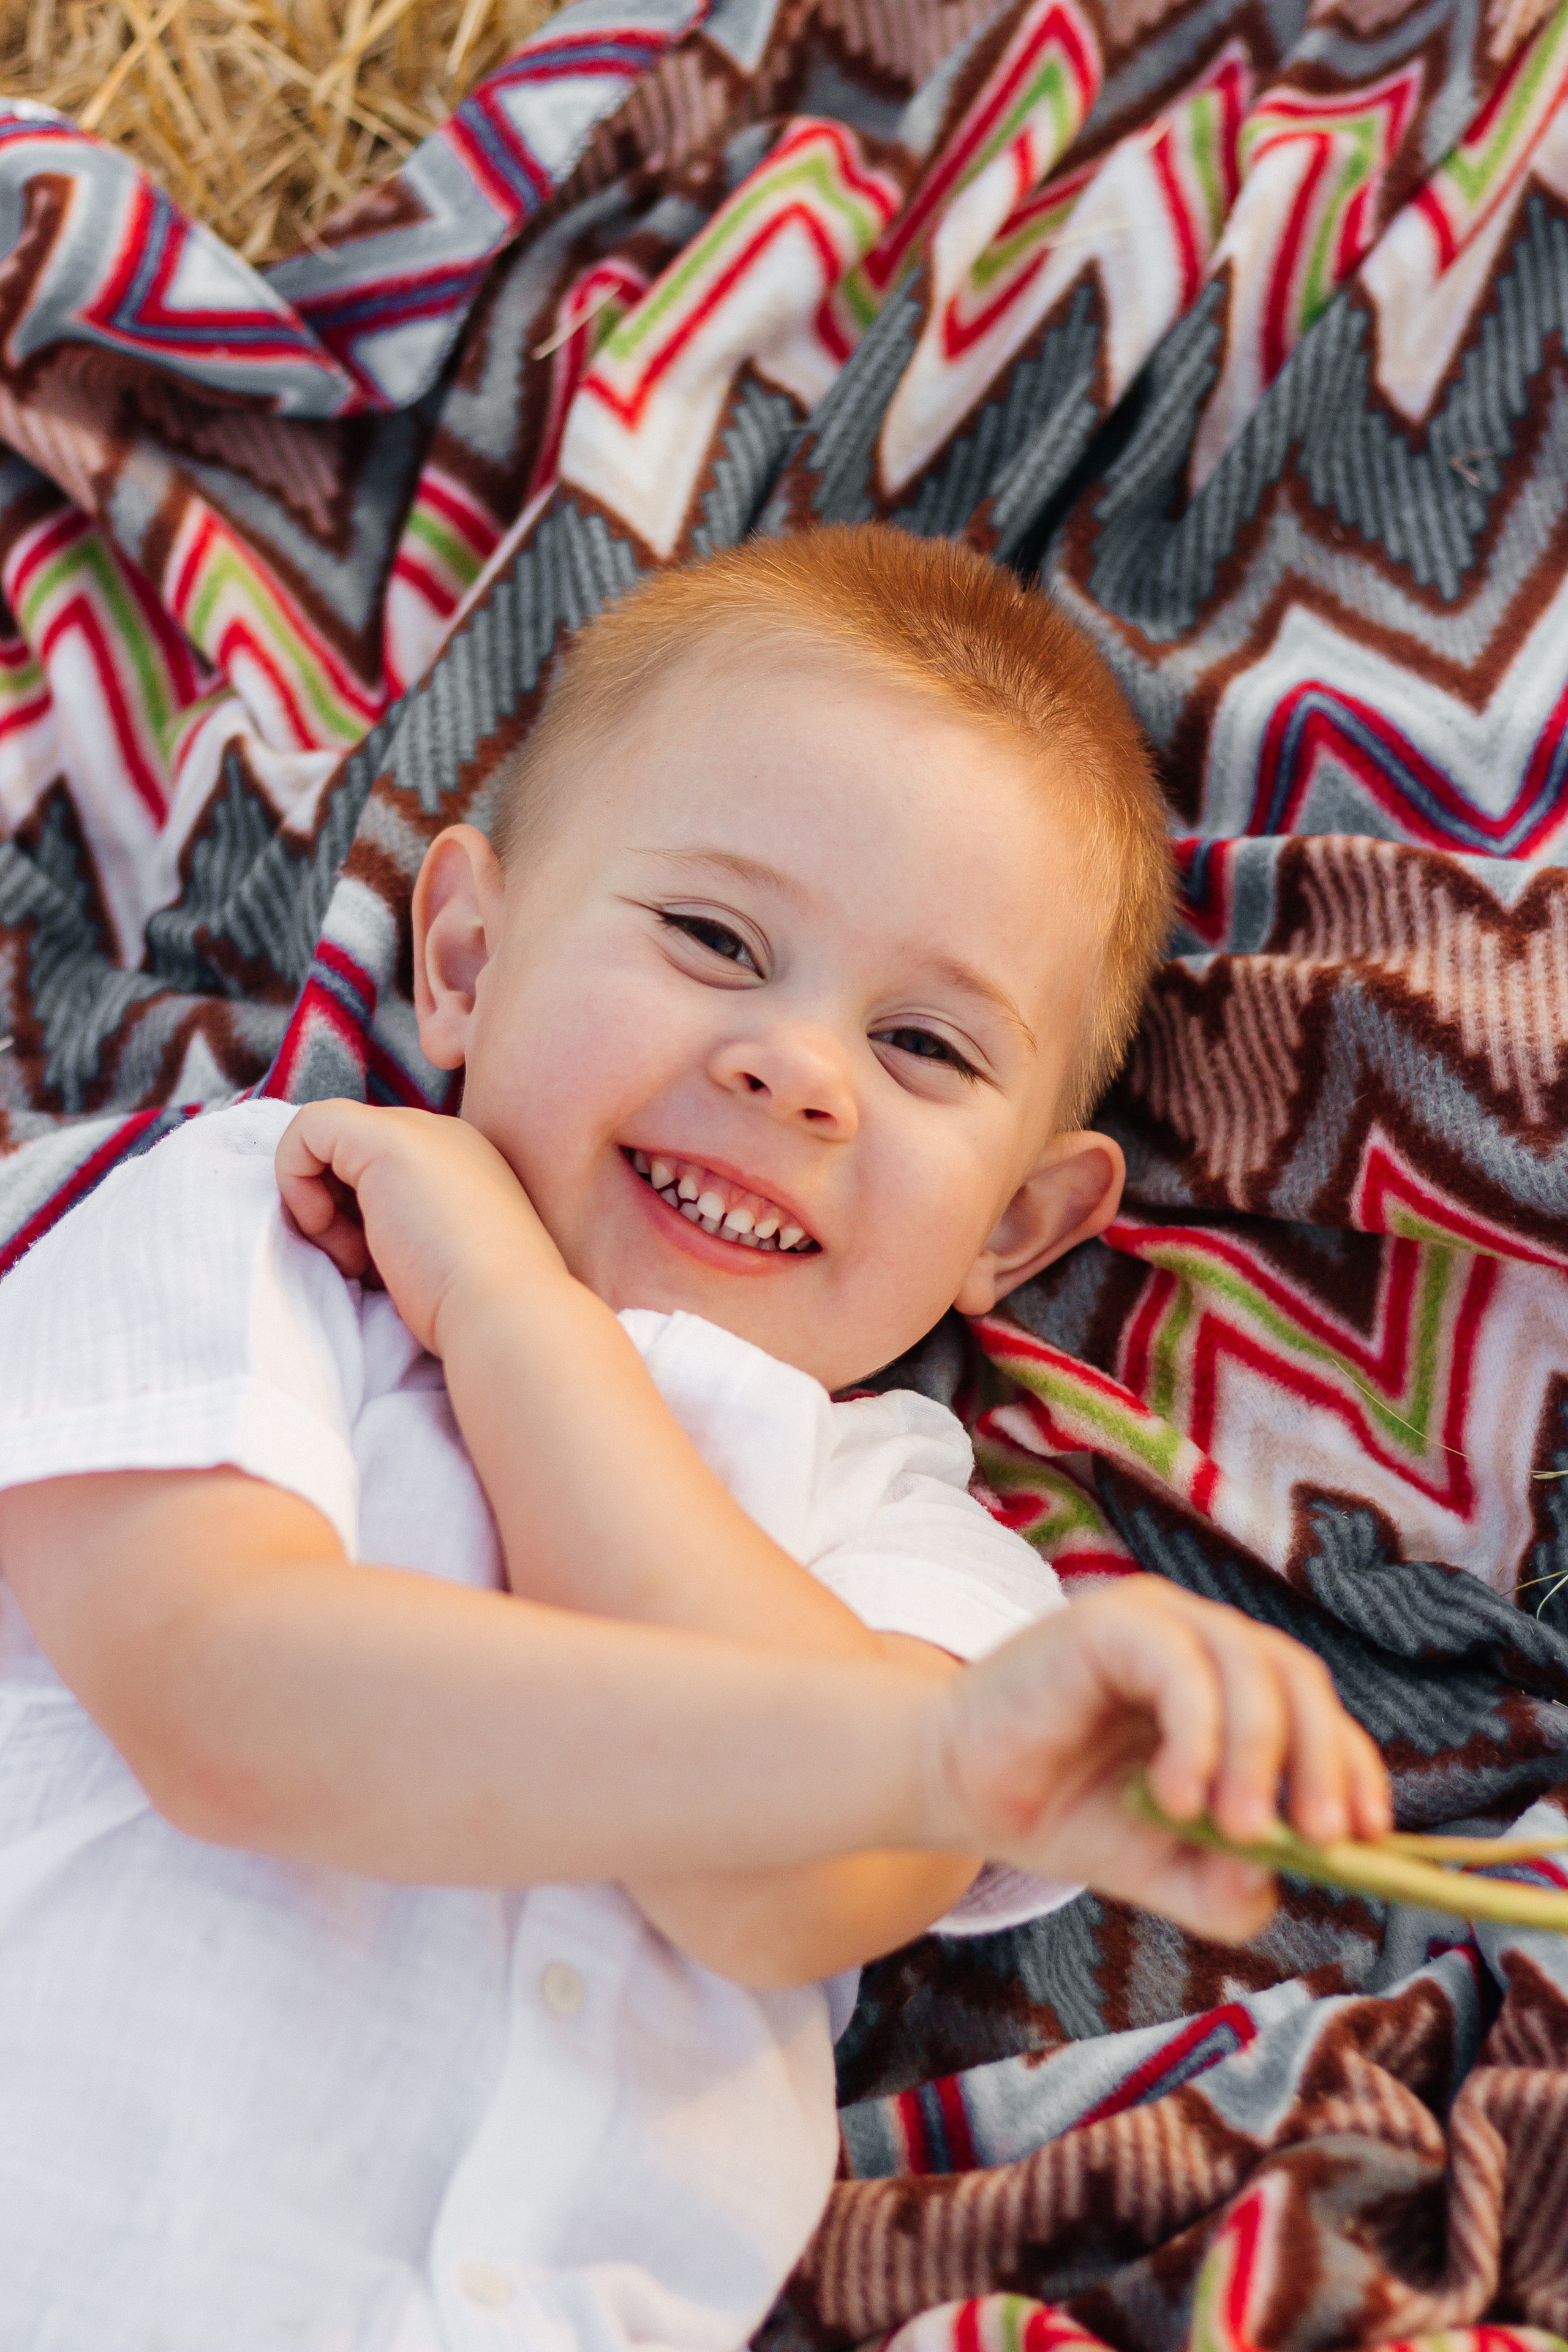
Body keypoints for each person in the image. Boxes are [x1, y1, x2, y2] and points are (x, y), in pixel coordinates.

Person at [0, 526, 1388, 2352]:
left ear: (1013, 1232)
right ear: (471, 954)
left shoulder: (914, 1551)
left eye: (923, 1047)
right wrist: (484, 1311)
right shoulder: (266, 1223)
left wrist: (524, 1327)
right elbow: (229, 1705)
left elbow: (791, 1880)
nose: (797, 1068)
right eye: (715, 937)